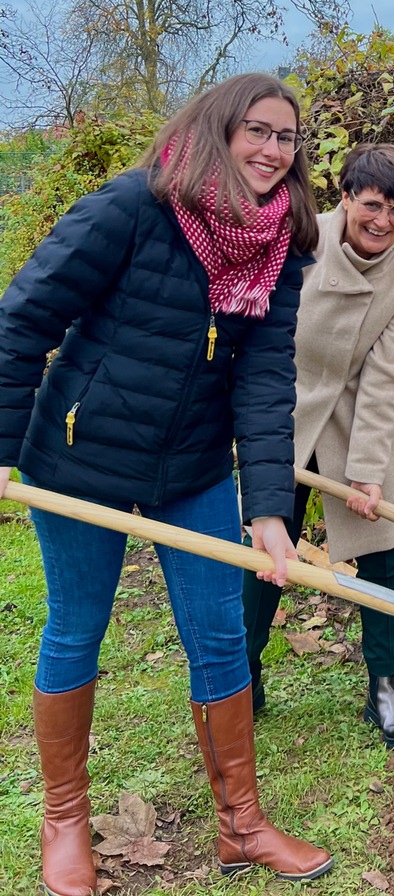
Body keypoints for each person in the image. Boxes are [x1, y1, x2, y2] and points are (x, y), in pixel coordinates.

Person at [0, 74, 335, 896]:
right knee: (78, 628)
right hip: (82, 457)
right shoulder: (132, 207)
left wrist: (265, 506)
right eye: (257, 131)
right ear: (219, 130)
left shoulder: (281, 237)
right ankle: (66, 822)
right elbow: (23, 320)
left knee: (220, 632)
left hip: (190, 463)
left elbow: (263, 376)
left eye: (287, 138)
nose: (271, 150)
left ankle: (241, 826)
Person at [242, 142, 394, 748]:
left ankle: (383, 684)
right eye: (373, 205)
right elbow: (260, 333)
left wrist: (367, 470)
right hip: (288, 406)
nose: (383, 222)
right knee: (261, 542)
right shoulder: (300, 238)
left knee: (383, 551)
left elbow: (389, 373)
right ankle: (242, 671)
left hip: (367, 415)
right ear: (346, 197)